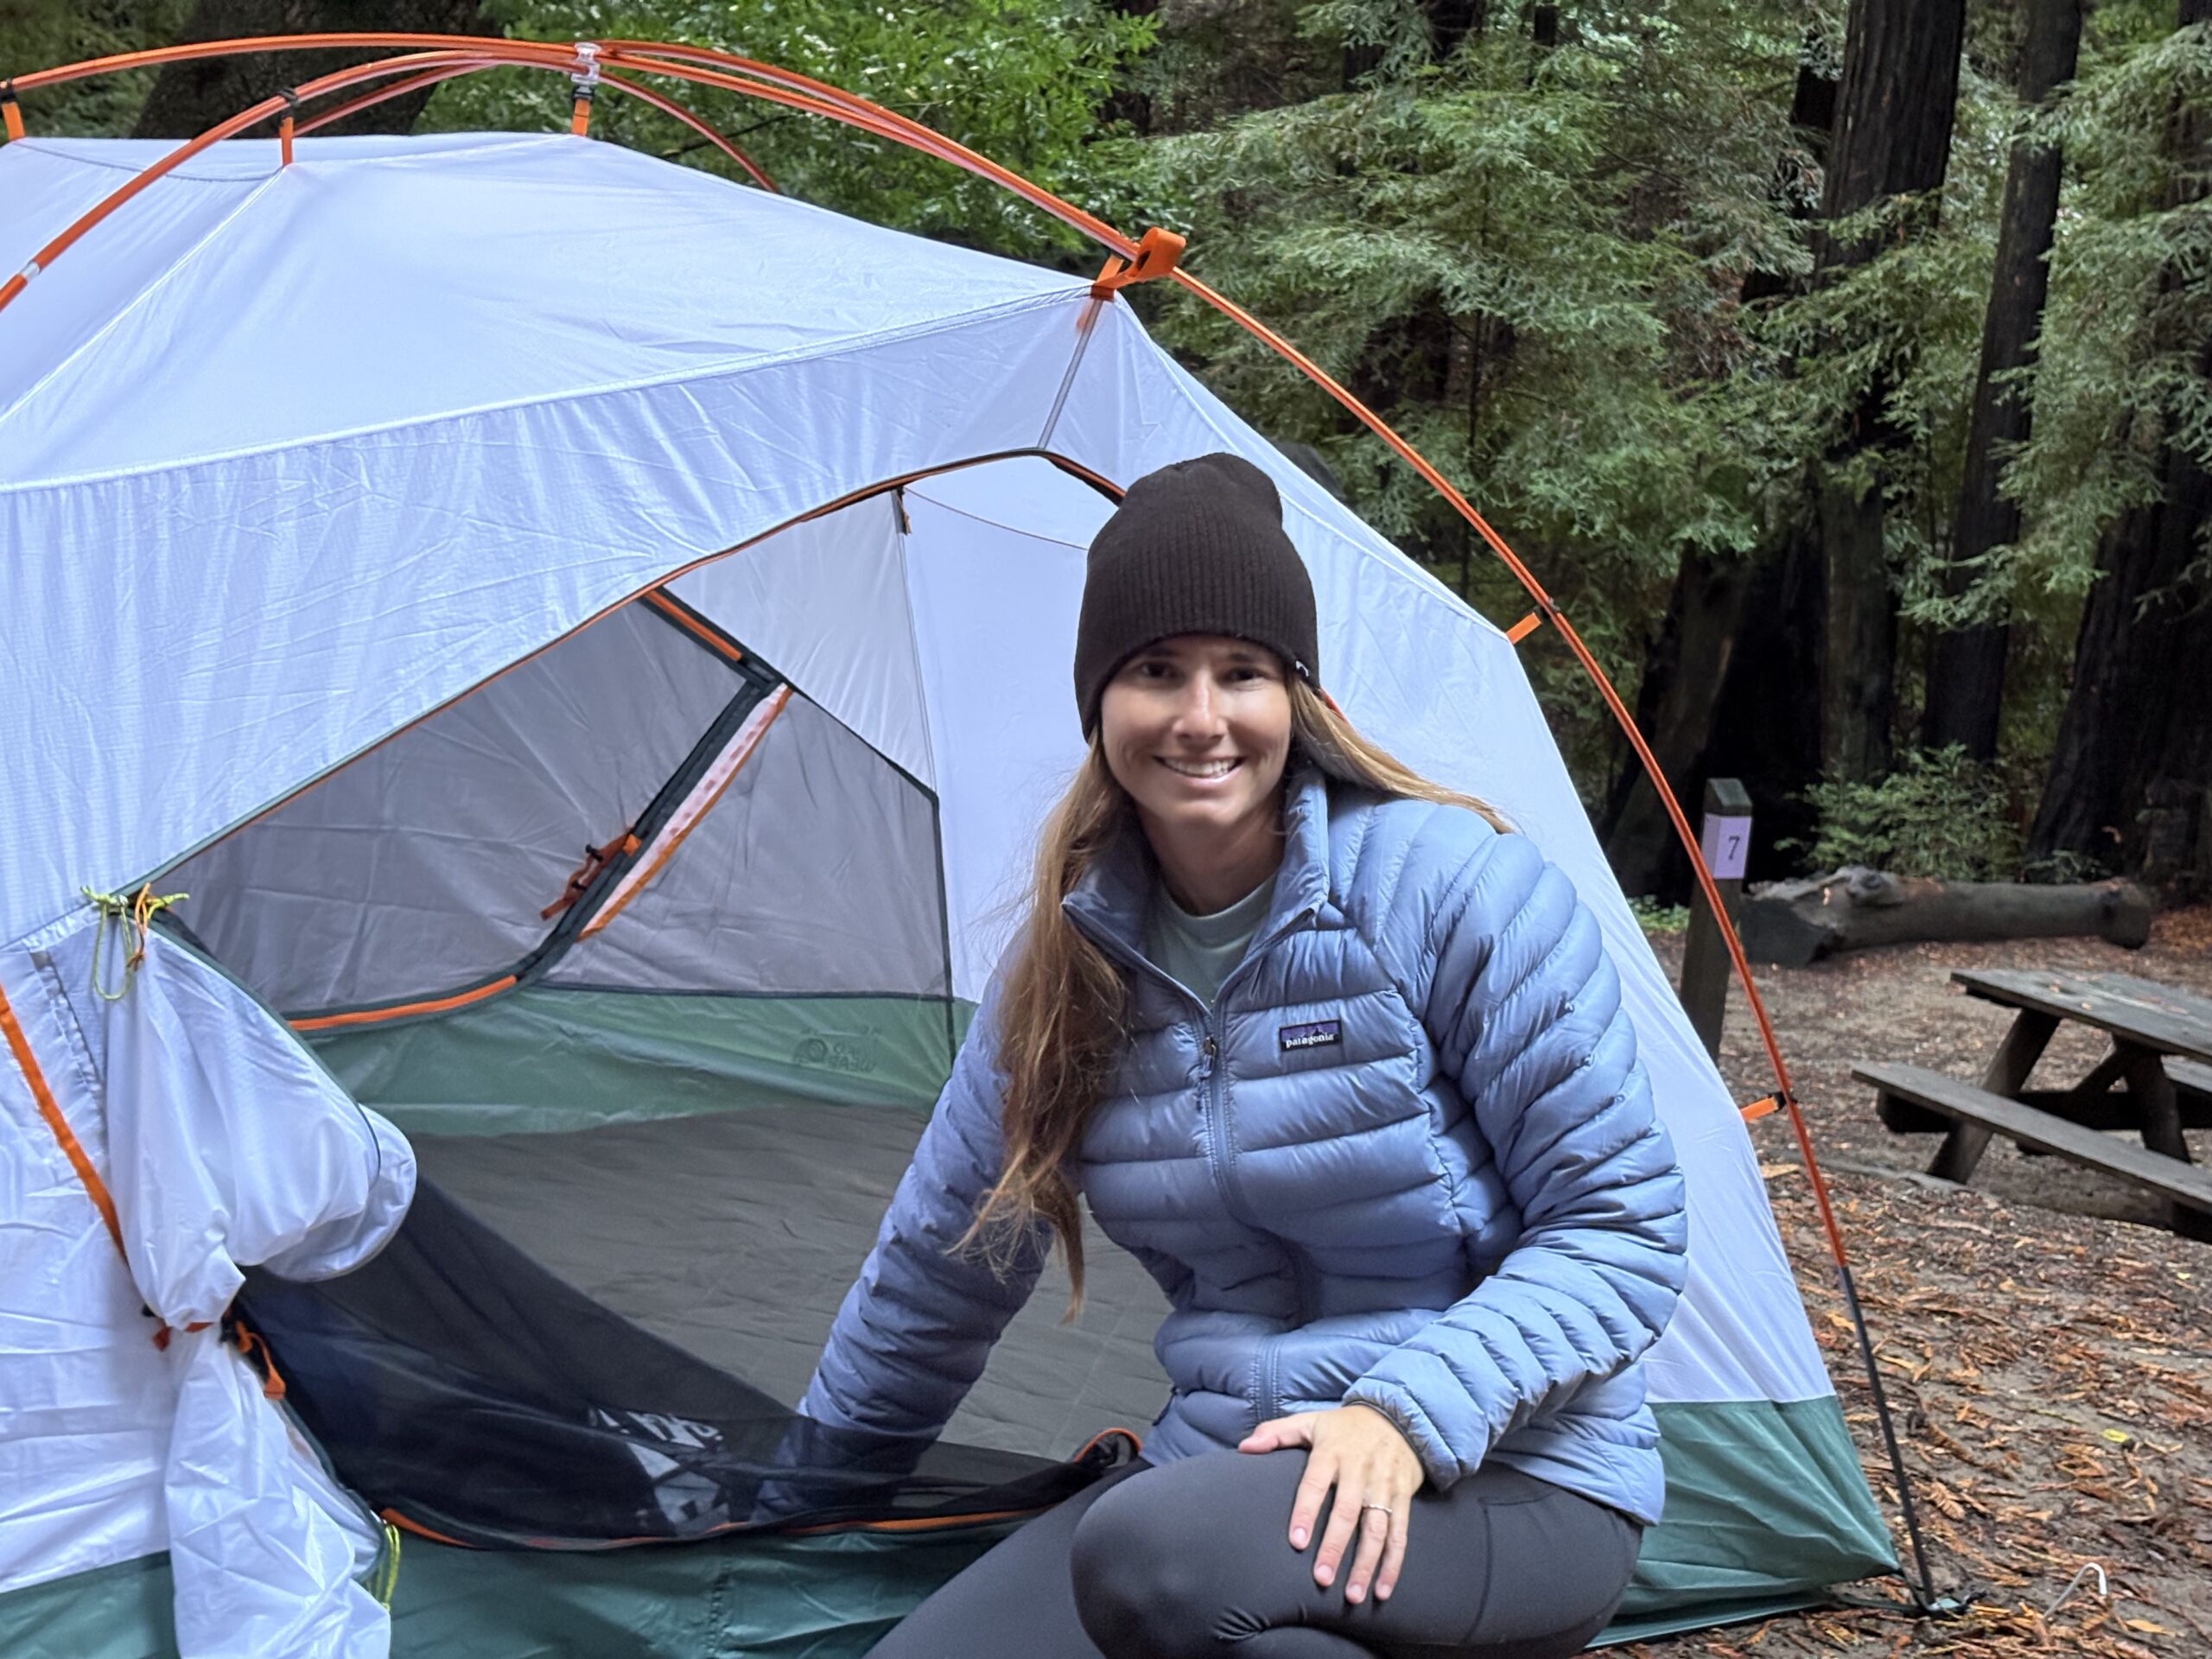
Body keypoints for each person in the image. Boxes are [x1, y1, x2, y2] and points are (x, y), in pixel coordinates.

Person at [797, 453, 1689, 1658]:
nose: (1200, 717)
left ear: (1298, 696)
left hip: (1508, 1472)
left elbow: (1619, 1227)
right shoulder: (1065, 971)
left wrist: (1402, 1415)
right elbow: (941, 1269)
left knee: (1163, 1570)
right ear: (1098, 703)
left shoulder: (1453, 890)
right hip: (1225, 1475)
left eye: (1243, 673)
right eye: (1156, 671)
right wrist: (798, 1499)